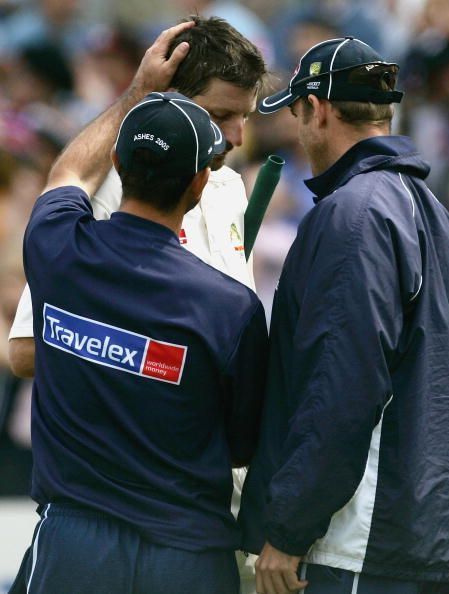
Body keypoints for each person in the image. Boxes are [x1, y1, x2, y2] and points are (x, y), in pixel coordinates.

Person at [7, 16, 267, 594]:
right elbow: (27, 351)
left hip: (198, 528)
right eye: (222, 117)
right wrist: (151, 369)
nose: (238, 137)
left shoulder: (225, 187)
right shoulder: (99, 196)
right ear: (171, 104)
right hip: (99, 515)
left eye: (245, 116)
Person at [239, 37, 449, 594]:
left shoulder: (355, 214)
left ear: (316, 108)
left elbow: (341, 385)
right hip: (409, 536)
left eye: (296, 112)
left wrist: (290, 528)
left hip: (350, 542)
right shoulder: (431, 211)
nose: (297, 129)